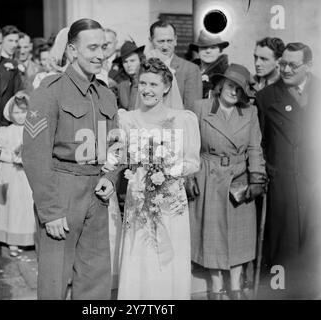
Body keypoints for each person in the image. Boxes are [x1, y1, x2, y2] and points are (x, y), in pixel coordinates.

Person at [22, 18, 120, 300]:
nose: (100, 54)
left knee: (95, 278)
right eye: (92, 47)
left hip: (97, 195)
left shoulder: (106, 94)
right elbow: (35, 156)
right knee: (54, 279)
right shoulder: (50, 91)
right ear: (72, 50)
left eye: (103, 47)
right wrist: (50, 211)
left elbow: (115, 144)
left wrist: (110, 178)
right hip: (61, 192)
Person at [114, 58, 201, 300]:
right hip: (139, 194)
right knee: (140, 252)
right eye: (142, 83)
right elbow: (120, 157)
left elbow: (194, 161)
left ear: (166, 87)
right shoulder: (128, 119)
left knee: (169, 255)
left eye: (153, 84)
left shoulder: (184, 119)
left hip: (171, 197)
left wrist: (166, 171)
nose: (146, 90)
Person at [255, 43, 321, 298]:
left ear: (308, 66)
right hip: (283, 183)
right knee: (283, 244)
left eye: (292, 65)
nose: (285, 69)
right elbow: (260, 142)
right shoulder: (266, 98)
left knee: (315, 241)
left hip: (317, 182)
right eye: (282, 63)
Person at [190, 64, 267, 300]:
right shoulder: (200, 108)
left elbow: (255, 147)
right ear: (220, 84)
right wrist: (189, 173)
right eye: (231, 86)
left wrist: (256, 177)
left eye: (240, 90)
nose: (235, 92)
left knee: (239, 234)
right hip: (209, 176)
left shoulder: (250, 112)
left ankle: (235, 288)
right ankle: (216, 288)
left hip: (239, 179)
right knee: (211, 233)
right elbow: (191, 145)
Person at [0, 91, 36, 257]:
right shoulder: (5, 132)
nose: (20, 116)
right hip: (10, 172)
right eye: (16, 112)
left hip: (26, 174)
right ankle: (11, 240)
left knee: (26, 204)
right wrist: (12, 157)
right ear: (10, 114)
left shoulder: (32, 131)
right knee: (12, 205)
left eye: (24, 112)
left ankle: (28, 238)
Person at [149, 20, 202, 109]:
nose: (165, 47)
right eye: (161, 41)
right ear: (151, 40)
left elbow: (192, 111)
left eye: (169, 41)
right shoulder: (142, 67)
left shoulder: (190, 69)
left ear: (176, 40)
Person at [189, 30, 229, 98]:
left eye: (213, 47)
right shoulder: (188, 70)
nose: (208, 51)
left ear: (220, 50)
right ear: (198, 50)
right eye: (204, 47)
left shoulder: (226, 74)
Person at [114, 41, 145, 111]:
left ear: (140, 61)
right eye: (125, 62)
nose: (128, 65)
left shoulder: (149, 82)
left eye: (132, 60)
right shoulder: (121, 86)